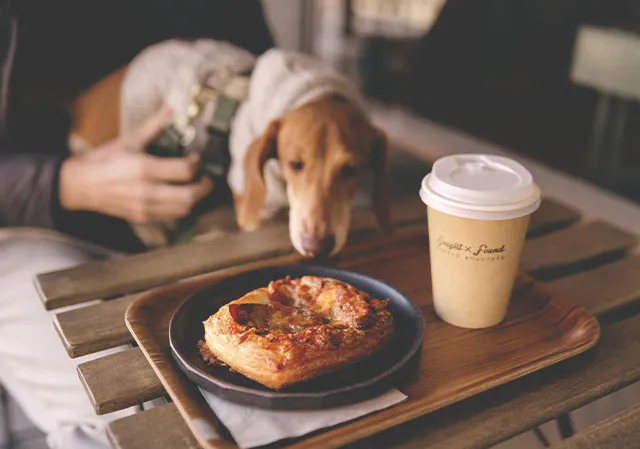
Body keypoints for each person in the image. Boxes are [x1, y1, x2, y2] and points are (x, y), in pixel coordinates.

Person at [0, 1, 274, 447]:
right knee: (133, 412)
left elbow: (258, 73)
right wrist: (67, 183)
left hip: (201, 212)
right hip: (28, 226)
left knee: (253, 387)